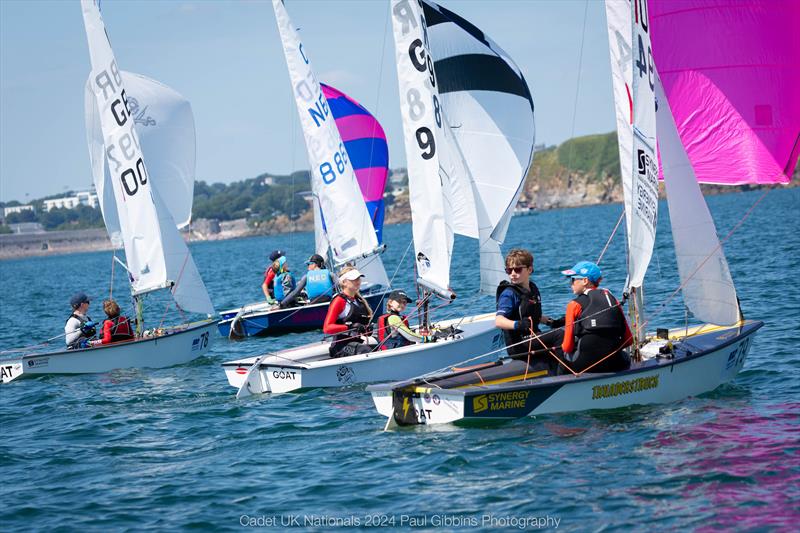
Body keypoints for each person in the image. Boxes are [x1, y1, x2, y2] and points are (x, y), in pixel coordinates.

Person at [495, 249, 562, 374]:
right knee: (559, 335)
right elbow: (499, 321)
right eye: (509, 270)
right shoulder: (508, 294)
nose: (513, 274)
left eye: (517, 270)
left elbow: (533, 315)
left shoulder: (532, 288)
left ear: (529, 270)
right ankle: (564, 374)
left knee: (568, 331)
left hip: (532, 337)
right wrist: (517, 324)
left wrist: (552, 322)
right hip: (519, 344)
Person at [559, 261, 632, 373]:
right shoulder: (613, 300)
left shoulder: (573, 305)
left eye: (573, 279)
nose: (571, 284)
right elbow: (628, 340)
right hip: (615, 363)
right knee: (626, 357)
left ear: (585, 281)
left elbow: (567, 347)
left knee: (562, 353)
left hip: (585, 366)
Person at [323, 266, 374, 358]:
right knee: (365, 351)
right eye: (354, 279)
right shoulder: (339, 300)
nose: (358, 281)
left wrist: (367, 329)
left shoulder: (359, 301)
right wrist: (349, 327)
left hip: (356, 343)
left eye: (358, 278)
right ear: (344, 282)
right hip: (340, 347)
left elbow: (361, 327)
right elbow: (327, 328)